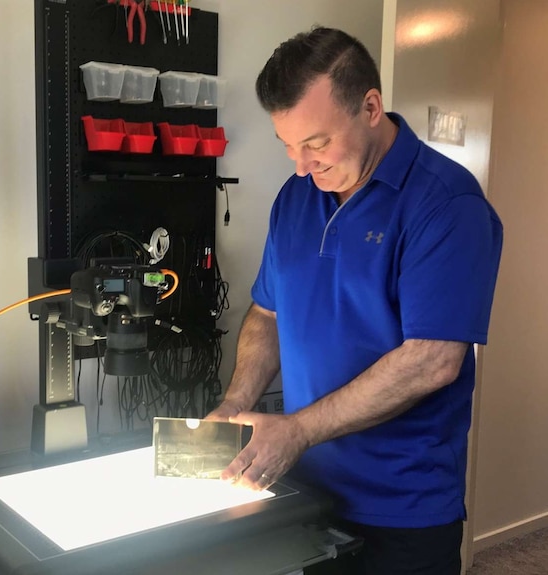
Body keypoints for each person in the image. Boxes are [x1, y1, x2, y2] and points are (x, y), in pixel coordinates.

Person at [207, 26, 503, 575]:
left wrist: (297, 430)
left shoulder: (446, 204)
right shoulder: (297, 196)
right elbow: (267, 313)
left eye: (316, 143)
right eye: (288, 146)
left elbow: (433, 361)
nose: (300, 165)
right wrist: (235, 403)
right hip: (302, 489)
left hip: (401, 511)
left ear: (371, 106)